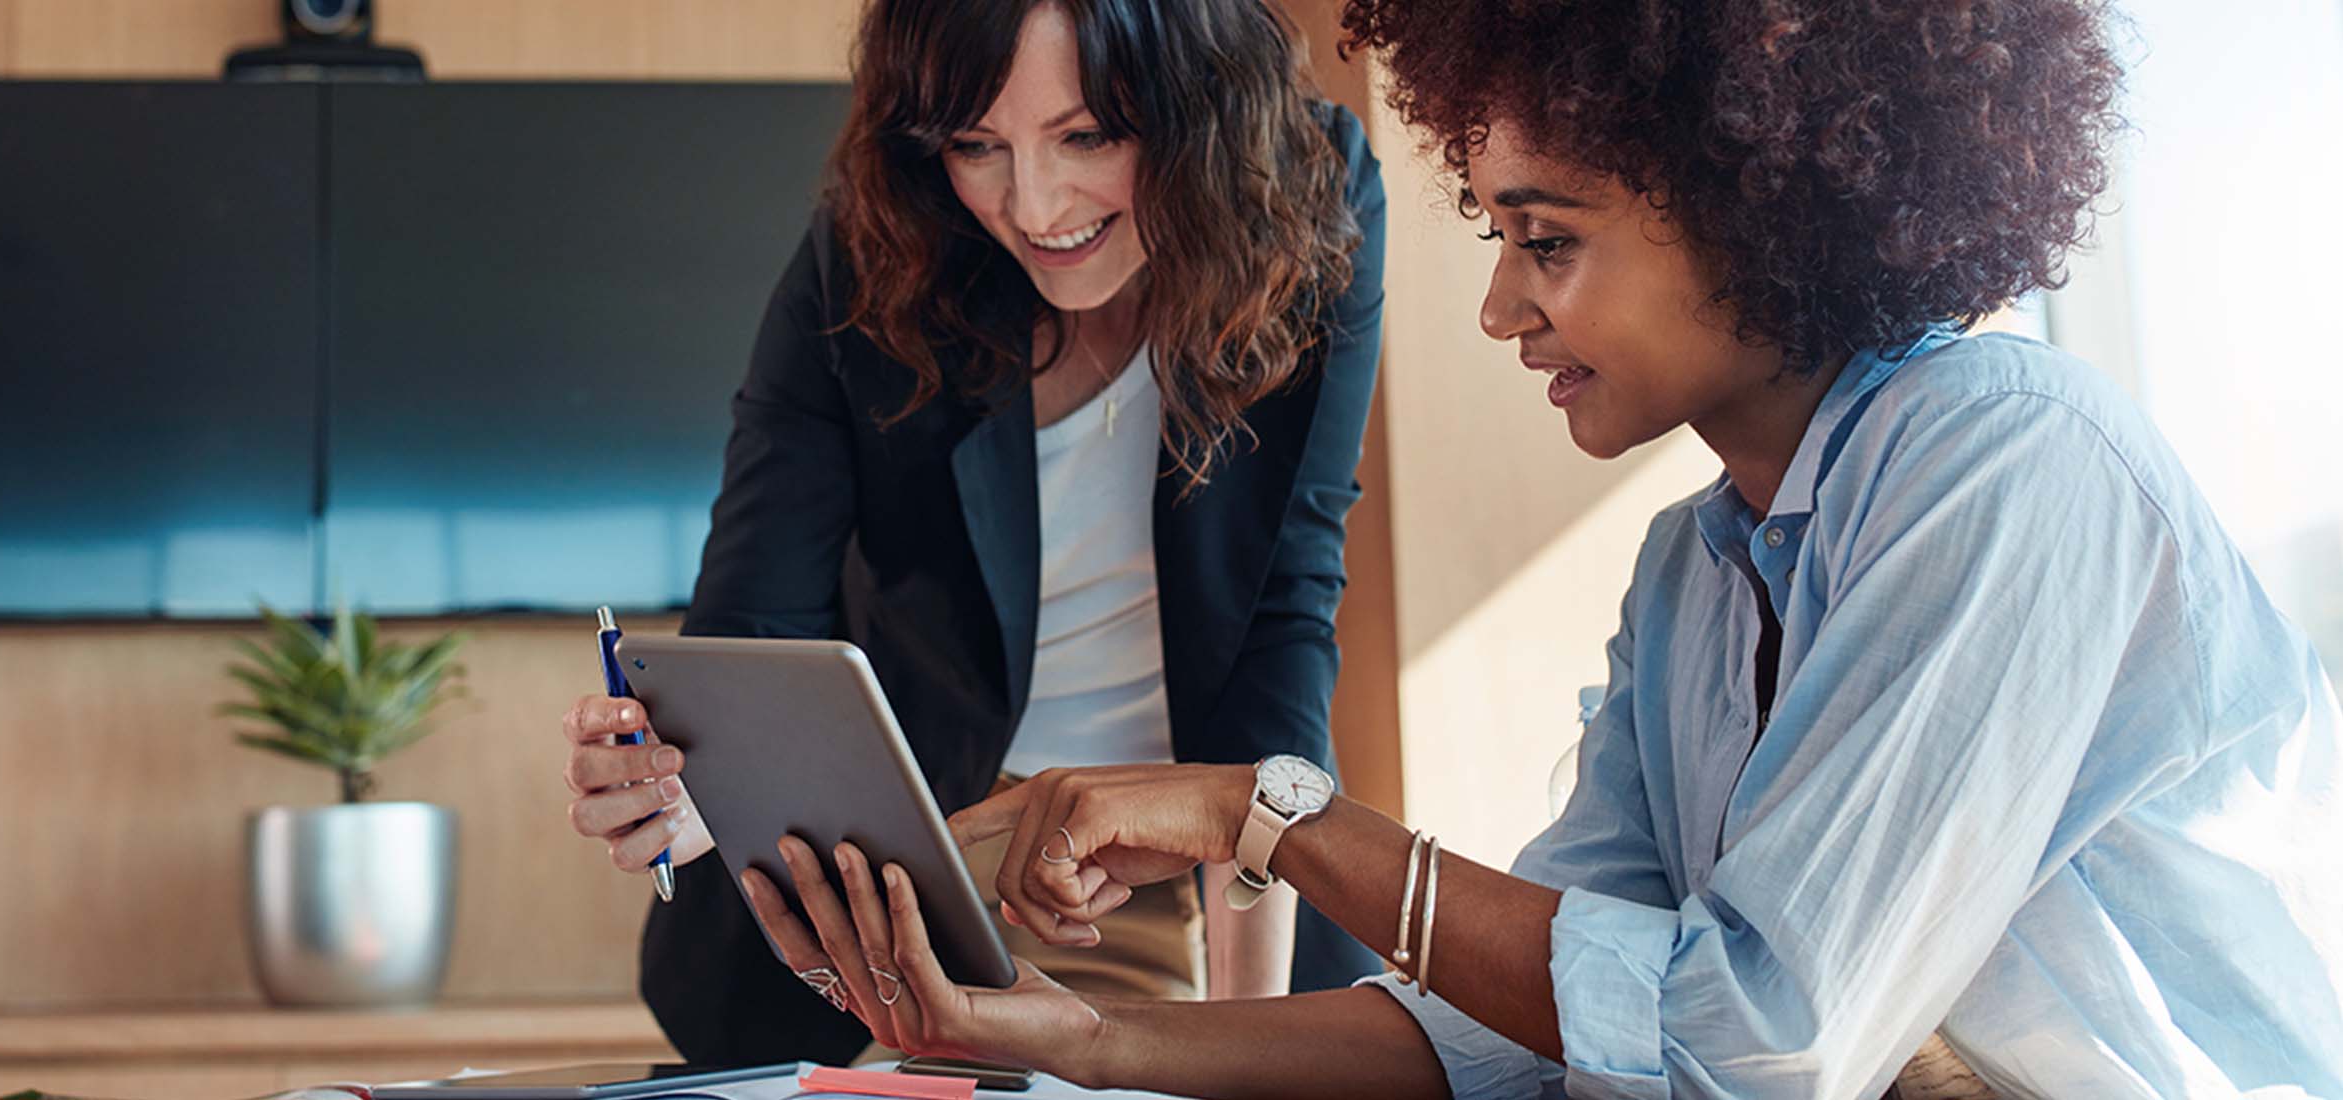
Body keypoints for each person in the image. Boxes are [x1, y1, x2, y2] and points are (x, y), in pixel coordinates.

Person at [739, 0, 2343, 1096]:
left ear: (1758, 200)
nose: (1504, 306)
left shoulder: (2010, 462)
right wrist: (1081, 1040)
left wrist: (1265, 811)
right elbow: (1504, 1036)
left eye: (1549, 242)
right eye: (1501, 240)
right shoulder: (1691, 584)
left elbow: (1747, 1046)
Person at [553, 0, 1389, 1067]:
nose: (1033, 206)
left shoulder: (1307, 198)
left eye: (1086, 135)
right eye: (974, 145)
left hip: (1193, 866)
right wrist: (679, 777)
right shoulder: (873, 247)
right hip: (910, 874)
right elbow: (754, 630)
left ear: (1201, 110)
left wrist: (1247, 1035)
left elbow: (1283, 608)